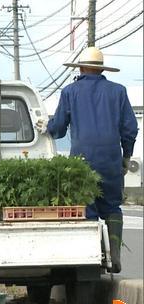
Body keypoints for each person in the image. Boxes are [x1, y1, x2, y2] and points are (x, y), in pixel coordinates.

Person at [37, 47, 138, 274]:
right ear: (102, 69)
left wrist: (47, 127)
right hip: (111, 160)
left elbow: (60, 127)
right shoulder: (118, 92)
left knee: (87, 209)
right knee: (112, 206)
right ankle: (115, 255)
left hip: (81, 164)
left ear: (81, 68)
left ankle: (91, 261)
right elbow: (130, 129)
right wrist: (126, 157)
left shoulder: (70, 91)